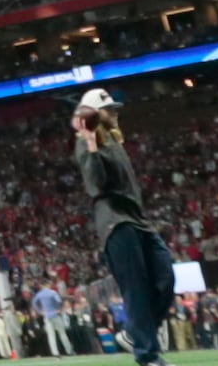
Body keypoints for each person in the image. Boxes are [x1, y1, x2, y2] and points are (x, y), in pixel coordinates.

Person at [64, 98, 164, 366]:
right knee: (135, 290)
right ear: (96, 113)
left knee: (164, 278)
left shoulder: (116, 141)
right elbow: (96, 185)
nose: (115, 113)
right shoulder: (85, 142)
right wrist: (91, 142)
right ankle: (147, 355)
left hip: (137, 219)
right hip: (115, 222)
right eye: (109, 109)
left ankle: (134, 332)